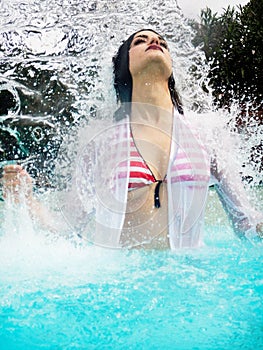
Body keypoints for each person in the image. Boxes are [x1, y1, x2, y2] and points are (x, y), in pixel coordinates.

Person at [2, 29, 263, 249]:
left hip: (188, 280)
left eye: (163, 43)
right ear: (125, 64)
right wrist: (26, 199)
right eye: (141, 41)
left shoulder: (207, 134)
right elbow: (67, 227)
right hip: (123, 281)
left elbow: (245, 222)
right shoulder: (101, 139)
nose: (156, 43)